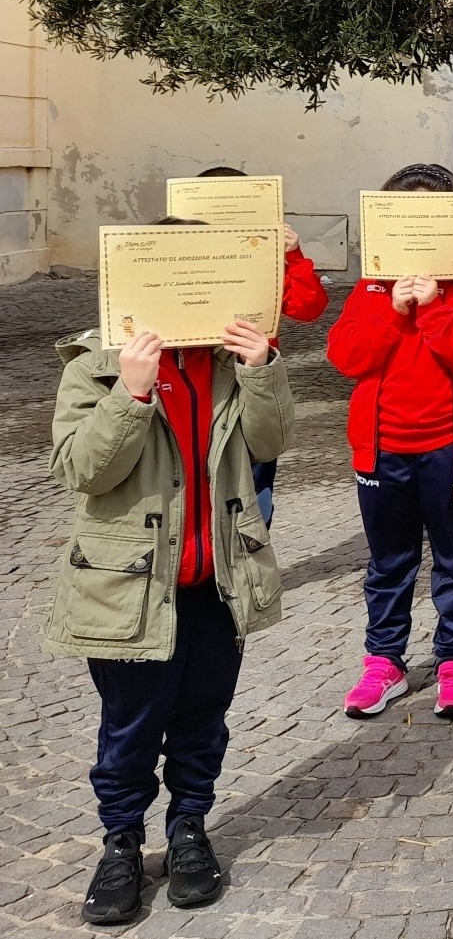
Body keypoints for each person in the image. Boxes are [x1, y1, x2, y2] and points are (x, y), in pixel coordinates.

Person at [48, 223, 293, 925]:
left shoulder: (229, 362)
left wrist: (261, 367)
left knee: (202, 718)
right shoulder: (93, 367)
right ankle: (121, 842)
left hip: (217, 583)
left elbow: (273, 441)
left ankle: (189, 827)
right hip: (129, 587)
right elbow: (81, 470)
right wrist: (129, 395)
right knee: (129, 727)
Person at [327, 164, 453, 721]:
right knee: (389, 561)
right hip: (382, 450)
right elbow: (345, 357)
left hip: (450, 451)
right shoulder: (372, 288)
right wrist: (392, 310)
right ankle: (385, 661)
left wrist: (434, 308)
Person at [195, 165, 328, 525]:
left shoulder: (265, 259)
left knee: (254, 480)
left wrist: (294, 255)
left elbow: (308, 308)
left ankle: (253, 548)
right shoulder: (183, 261)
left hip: (250, 382)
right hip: (195, 383)